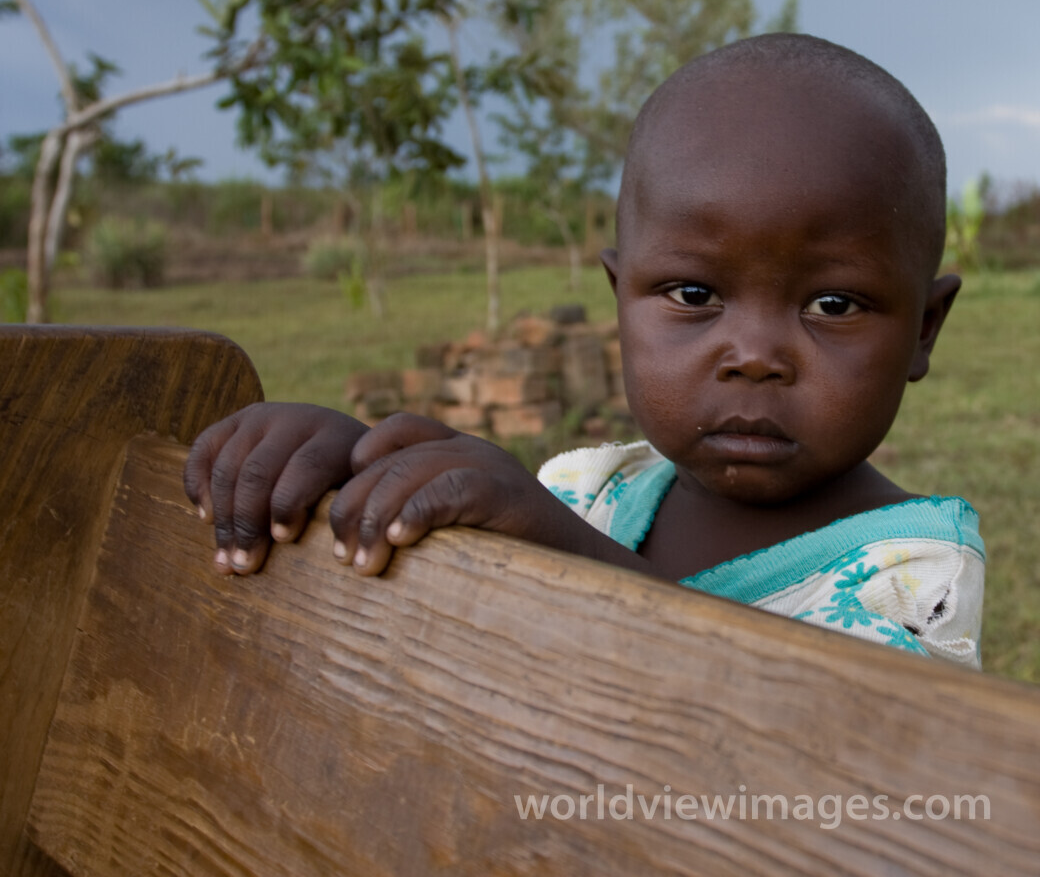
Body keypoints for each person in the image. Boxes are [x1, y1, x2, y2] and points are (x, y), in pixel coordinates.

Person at [184, 33, 985, 668]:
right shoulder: (587, 492)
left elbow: (816, 734)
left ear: (924, 328)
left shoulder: (912, 572)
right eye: (694, 296)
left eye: (832, 304)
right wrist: (345, 475)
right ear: (619, 301)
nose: (752, 356)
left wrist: (563, 553)